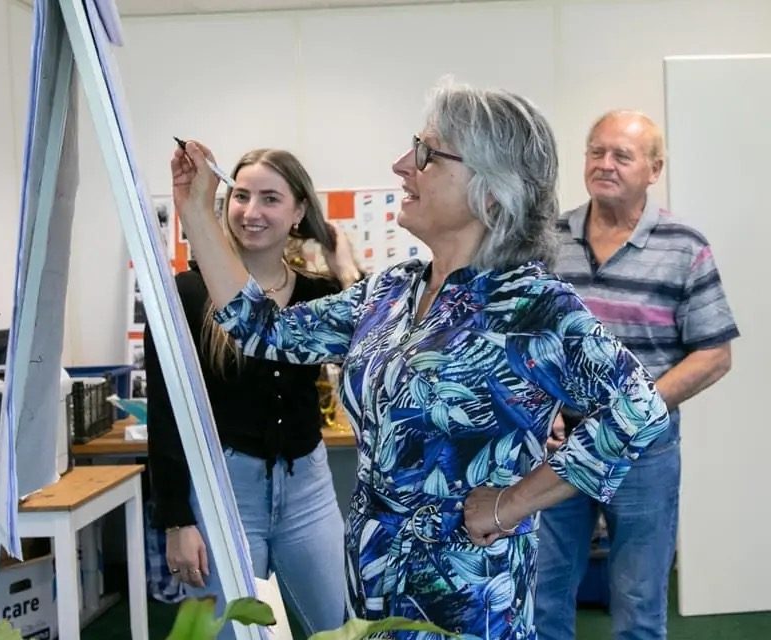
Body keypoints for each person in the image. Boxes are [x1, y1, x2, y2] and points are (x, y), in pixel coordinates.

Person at [169, 82, 670, 639]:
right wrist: (196, 211)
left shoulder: (530, 303)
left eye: (428, 153)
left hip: (469, 594)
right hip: (375, 581)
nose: (404, 165)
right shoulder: (393, 291)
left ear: (491, 187)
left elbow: (638, 411)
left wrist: (513, 504)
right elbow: (262, 328)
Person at [535, 111, 738, 640]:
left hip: (642, 447)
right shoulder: (547, 240)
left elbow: (714, 354)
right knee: (544, 592)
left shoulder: (684, 246)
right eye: (596, 152)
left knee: (640, 599)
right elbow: (526, 340)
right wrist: (545, 404)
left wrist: (634, 408)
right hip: (558, 445)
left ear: (654, 168)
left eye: (621, 155)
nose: (605, 164)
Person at [145, 148, 361, 637]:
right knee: (238, 633)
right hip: (227, 490)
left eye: (270, 198)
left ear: (298, 212)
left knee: (341, 626)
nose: (251, 211)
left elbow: (376, 349)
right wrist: (177, 519)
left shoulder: (319, 293)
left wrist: (344, 266)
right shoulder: (187, 293)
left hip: (308, 486)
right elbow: (166, 411)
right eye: (240, 195)